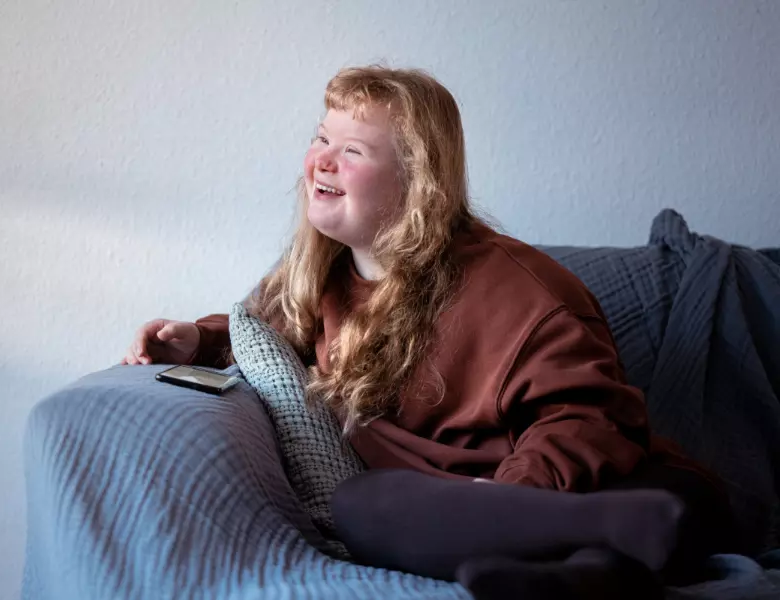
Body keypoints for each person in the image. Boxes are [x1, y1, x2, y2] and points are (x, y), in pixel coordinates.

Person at [122, 65, 738, 599]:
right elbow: (266, 328)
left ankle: (600, 551)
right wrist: (199, 341)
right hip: (465, 508)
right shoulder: (323, 279)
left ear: (418, 183)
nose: (322, 161)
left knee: (664, 513)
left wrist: (508, 501)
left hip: (620, 489)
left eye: (354, 151)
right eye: (321, 138)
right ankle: (592, 575)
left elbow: (587, 421)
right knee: (361, 506)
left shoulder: (525, 290)